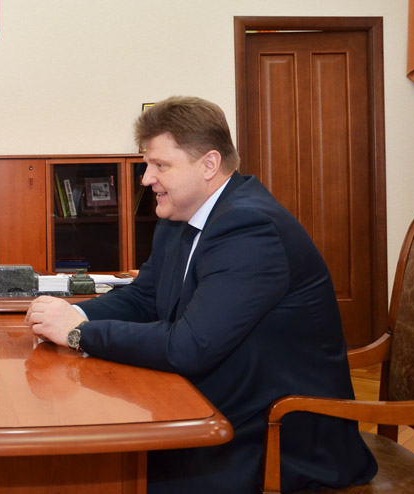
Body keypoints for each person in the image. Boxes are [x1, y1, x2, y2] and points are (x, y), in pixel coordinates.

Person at [25, 96, 377, 493]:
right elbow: (144, 298)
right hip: (213, 404)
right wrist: (75, 314)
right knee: (87, 460)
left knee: (101, 474)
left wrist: (78, 333)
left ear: (208, 165)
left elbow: (190, 346)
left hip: (275, 435)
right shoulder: (179, 217)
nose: (145, 179)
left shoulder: (250, 228)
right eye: (147, 164)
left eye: (160, 166)